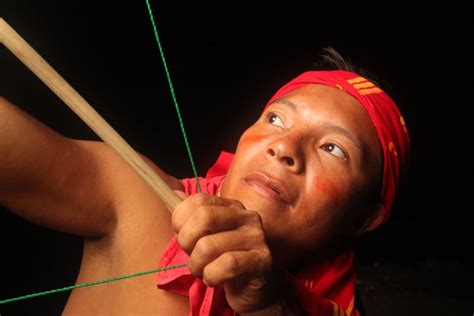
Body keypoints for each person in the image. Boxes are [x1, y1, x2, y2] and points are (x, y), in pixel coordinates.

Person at [0, 47, 410, 315]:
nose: (285, 147)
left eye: (334, 149)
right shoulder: (136, 198)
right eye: (275, 119)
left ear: (365, 218)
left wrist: (265, 303)